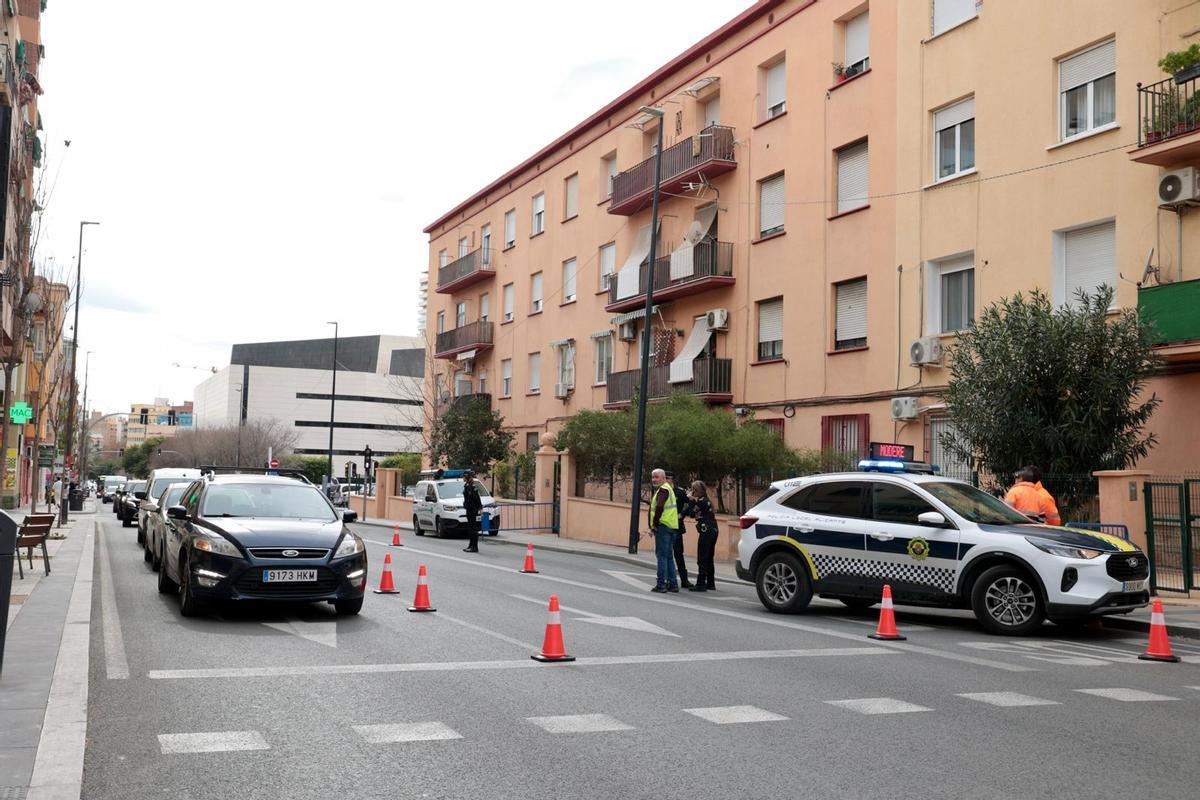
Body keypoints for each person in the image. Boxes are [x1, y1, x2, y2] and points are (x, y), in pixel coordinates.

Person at [645, 468, 679, 593]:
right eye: (653, 477)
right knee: (669, 556)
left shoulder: (664, 489)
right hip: (671, 527)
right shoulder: (667, 489)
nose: (654, 479)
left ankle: (661, 584)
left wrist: (654, 525)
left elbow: (659, 506)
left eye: (657, 477)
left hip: (663, 527)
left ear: (664, 478)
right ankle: (673, 583)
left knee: (662, 557)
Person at [685, 480, 718, 592]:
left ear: (697, 491)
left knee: (702, 558)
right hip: (713, 530)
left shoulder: (701, 502)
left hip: (706, 532)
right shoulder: (707, 500)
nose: (692, 491)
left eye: (693, 490)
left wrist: (690, 500)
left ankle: (700, 584)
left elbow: (691, 514)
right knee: (709, 557)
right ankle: (710, 583)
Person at [665, 470, 692, 589]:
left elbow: (689, 504)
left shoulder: (679, 492)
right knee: (665, 554)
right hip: (665, 527)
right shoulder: (662, 492)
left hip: (677, 527)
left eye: (669, 478)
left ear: (673, 480)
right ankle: (668, 580)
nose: (667, 480)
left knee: (678, 554)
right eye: (665, 478)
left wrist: (682, 514)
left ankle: (684, 580)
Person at [461, 470, 483, 553]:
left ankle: (474, 547)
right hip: (469, 509)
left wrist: (480, 508)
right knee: (470, 528)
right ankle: (470, 545)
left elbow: (477, 498)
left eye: (464, 476)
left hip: (473, 509)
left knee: (473, 528)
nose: (463, 477)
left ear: (467, 477)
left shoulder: (472, 486)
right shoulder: (467, 485)